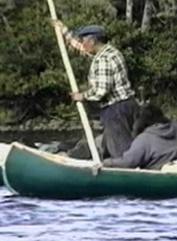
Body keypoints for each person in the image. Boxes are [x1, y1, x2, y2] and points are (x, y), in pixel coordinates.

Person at [51, 20, 137, 159]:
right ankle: (123, 165)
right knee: (118, 143)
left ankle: (128, 172)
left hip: (116, 109)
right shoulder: (110, 52)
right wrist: (63, 30)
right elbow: (79, 47)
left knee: (121, 148)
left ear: (92, 41)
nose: (82, 43)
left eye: (84, 40)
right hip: (126, 105)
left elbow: (101, 91)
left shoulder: (103, 59)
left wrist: (82, 96)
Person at [102, 103, 177, 170]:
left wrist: (106, 162)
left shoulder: (145, 139)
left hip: (156, 171)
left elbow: (129, 162)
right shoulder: (175, 130)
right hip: (176, 165)